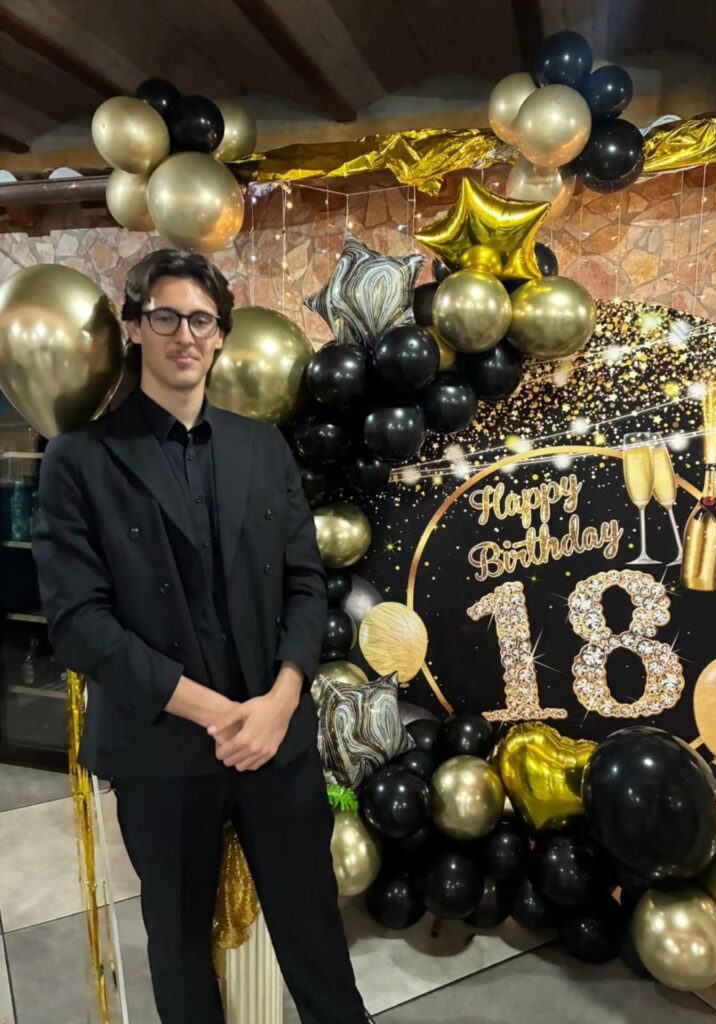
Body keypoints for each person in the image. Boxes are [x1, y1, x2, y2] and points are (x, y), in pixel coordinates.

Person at [32, 249, 370, 1024]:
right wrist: (219, 715)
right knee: (180, 952)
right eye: (165, 317)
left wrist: (280, 701)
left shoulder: (262, 445)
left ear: (220, 335)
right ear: (134, 326)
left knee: (317, 943)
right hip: (161, 746)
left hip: (275, 740)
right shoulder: (80, 460)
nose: (184, 335)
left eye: (200, 320)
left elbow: (306, 584)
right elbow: (79, 624)